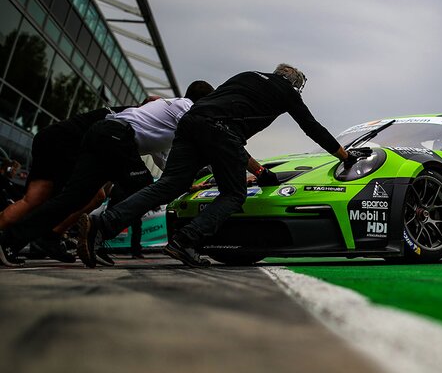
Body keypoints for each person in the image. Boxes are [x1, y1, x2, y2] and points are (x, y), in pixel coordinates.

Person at [76, 63, 369, 268]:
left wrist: (260, 171)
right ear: (294, 83)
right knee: (234, 194)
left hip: (190, 124)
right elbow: (311, 127)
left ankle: (102, 224)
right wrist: (344, 155)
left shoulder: (246, 76)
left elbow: (224, 133)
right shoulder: (287, 92)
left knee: (169, 186)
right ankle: (186, 240)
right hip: (220, 130)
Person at [0, 81, 214, 267]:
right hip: (116, 136)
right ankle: (97, 236)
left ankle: (10, 241)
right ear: (204, 101)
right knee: (144, 186)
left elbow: (166, 164)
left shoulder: (163, 120)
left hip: (101, 134)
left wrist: (186, 184)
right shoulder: (186, 106)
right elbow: (202, 136)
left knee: (74, 198)